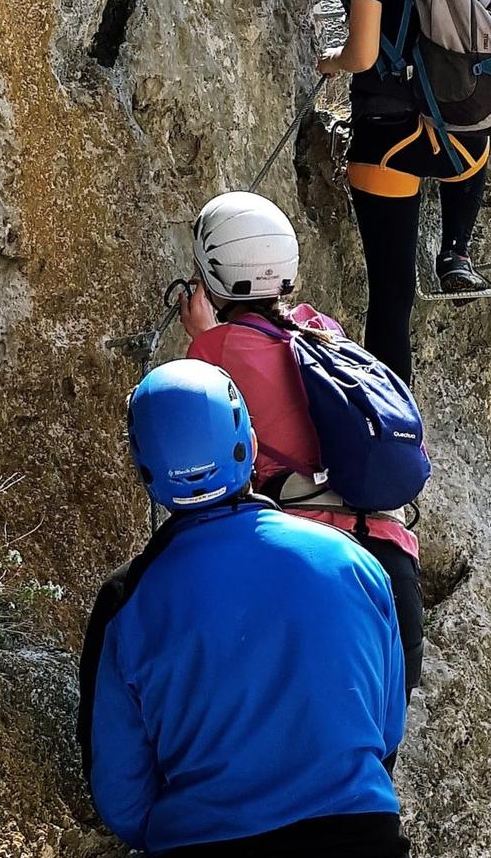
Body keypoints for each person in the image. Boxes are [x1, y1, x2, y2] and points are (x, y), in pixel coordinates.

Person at [80, 360, 411, 858]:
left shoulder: (128, 602)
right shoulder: (355, 564)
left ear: (146, 472)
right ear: (251, 445)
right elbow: (386, 730)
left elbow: (121, 792)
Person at [178, 190, 425, 691]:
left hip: (312, 564)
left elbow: (209, 467)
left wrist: (203, 338)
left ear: (211, 276)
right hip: (392, 565)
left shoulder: (214, 352)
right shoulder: (323, 331)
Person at [312, 0, 490, 378]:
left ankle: (391, 421)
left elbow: (363, 55)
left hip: (387, 140)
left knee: (390, 300)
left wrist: (330, 60)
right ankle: (455, 250)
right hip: (457, 135)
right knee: (473, 144)